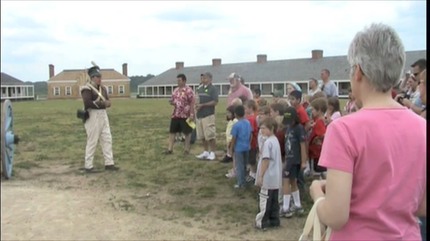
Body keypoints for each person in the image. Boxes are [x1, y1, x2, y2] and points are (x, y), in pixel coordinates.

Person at [309, 23, 426, 240]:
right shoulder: (422, 127)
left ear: (358, 71)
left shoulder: (343, 130)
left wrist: (317, 194)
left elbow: (335, 216)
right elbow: (422, 206)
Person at [80, 65, 119, 172]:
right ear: (92, 77)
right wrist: (103, 103)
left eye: (100, 76)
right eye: (97, 77)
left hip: (103, 115)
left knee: (107, 139)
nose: (99, 79)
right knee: (92, 141)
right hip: (93, 116)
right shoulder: (86, 88)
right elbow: (87, 103)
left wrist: (107, 103)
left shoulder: (103, 89)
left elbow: (108, 101)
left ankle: (109, 163)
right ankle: (88, 165)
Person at [255, 117, 282, 230]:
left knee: (265, 199)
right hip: (275, 177)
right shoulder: (275, 141)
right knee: (274, 200)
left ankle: (262, 221)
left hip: (268, 176)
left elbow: (265, 160)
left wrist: (261, 175)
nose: (261, 130)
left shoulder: (268, 143)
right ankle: (274, 220)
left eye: (264, 128)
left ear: (271, 128)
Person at [280, 107, 307, 218]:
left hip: (294, 160)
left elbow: (302, 145)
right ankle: (297, 204)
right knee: (292, 181)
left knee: (285, 182)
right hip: (289, 159)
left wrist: (304, 161)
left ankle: (286, 207)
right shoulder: (288, 128)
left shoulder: (298, 128)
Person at [163, 74, 195, 155]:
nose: (178, 82)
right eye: (177, 80)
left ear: (184, 81)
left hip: (185, 115)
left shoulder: (189, 90)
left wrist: (191, 113)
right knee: (172, 131)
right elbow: (174, 100)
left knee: (187, 132)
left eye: (179, 80)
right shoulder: (176, 90)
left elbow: (192, 102)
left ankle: (186, 149)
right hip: (176, 114)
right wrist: (172, 102)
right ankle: (170, 149)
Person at [195, 72, 219, 161]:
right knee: (202, 135)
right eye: (202, 78)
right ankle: (205, 151)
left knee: (210, 134)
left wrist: (203, 105)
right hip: (199, 114)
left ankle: (212, 152)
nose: (203, 80)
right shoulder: (199, 88)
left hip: (208, 114)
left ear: (210, 79)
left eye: (205, 78)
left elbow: (215, 101)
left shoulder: (213, 89)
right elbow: (197, 99)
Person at [229, 105, 252, 188]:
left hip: (239, 148)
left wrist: (231, 149)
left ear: (235, 114)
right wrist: (249, 143)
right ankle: (245, 179)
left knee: (239, 166)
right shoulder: (248, 122)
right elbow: (250, 134)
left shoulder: (236, 125)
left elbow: (234, 138)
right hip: (247, 147)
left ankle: (240, 183)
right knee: (245, 164)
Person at [308, 97, 328, 178]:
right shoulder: (318, 120)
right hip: (316, 151)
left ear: (319, 110)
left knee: (319, 170)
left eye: (313, 110)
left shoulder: (320, 121)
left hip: (317, 151)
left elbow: (323, 134)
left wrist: (318, 138)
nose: (311, 112)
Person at [244, 100, 259, 182]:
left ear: (250, 108)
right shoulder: (249, 118)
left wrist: (248, 143)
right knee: (250, 158)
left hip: (252, 143)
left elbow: (251, 132)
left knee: (252, 158)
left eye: (246, 108)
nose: (244, 110)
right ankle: (251, 171)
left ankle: (253, 174)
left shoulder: (251, 119)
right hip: (250, 142)